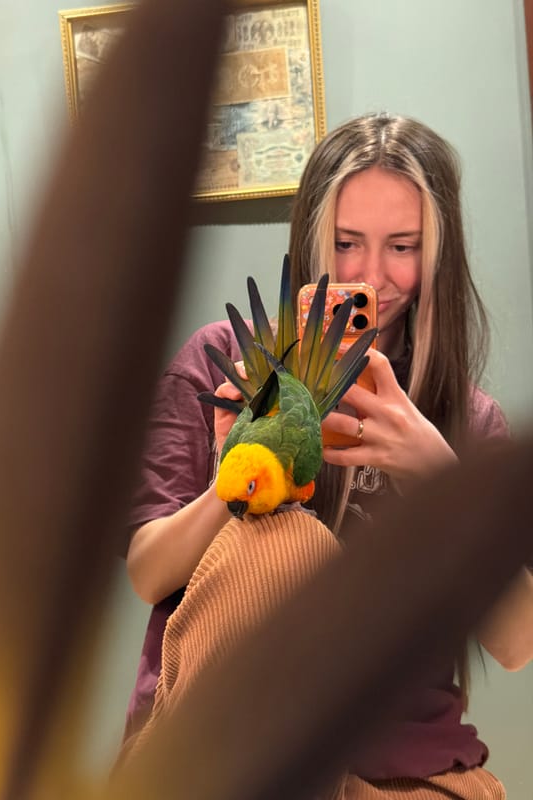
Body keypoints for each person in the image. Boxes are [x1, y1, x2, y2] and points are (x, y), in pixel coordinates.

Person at [122, 113, 533, 794]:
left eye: (403, 246)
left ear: (437, 254)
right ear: (314, 238)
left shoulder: (465, 420)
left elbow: (516, 647)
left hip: (402, 768)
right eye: (347, 243)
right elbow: (149, 574)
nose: (373, 276)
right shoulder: (221, 360)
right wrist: (238, 478)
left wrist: (439, 478)